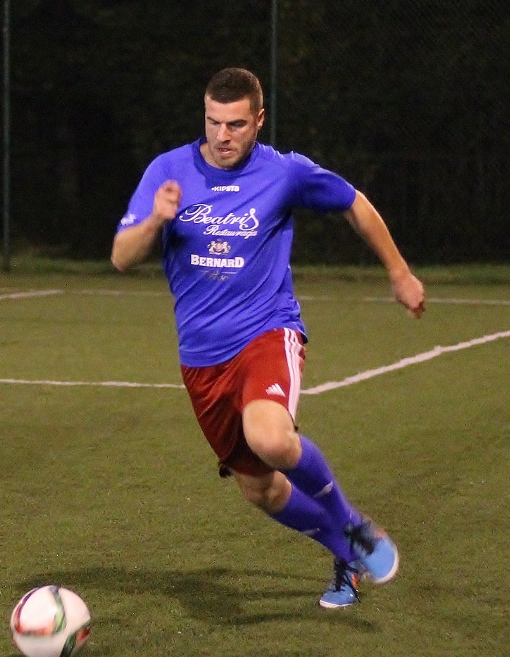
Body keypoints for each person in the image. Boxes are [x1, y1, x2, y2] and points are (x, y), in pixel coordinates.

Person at [111, 67, 425, 608]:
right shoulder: (168, 171)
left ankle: (351, 522)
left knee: (272, 439)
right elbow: (122, 257)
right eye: (213, 122)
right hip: (201, 358)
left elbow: (355, 203)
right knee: (260, 488)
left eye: (235, 124)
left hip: (267, 331)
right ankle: (345, 549)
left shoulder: (285, 172)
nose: (222, 135)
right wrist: (155, 220)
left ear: (259, 120)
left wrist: (398, 272)